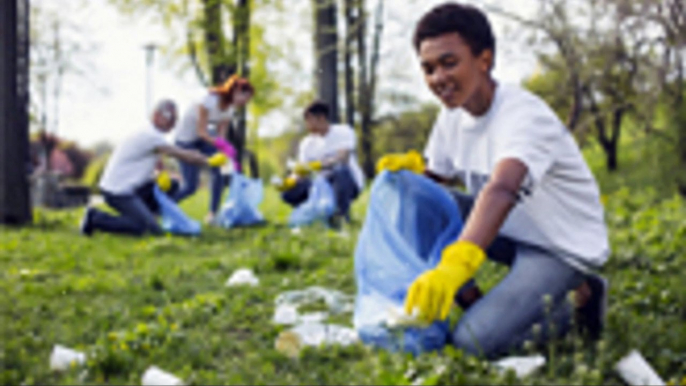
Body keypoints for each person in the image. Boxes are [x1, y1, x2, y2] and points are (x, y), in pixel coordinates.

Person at [376, 2, 610, 358]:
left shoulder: (522, 114)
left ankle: (580, 303)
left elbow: (502, 189)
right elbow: (431, 187)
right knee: (414, 197)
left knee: (473, 343)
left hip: (558, 245)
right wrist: (410, 174)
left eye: (449, 62)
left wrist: (456, 264)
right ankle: (474, 302)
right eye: (428, 68)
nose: (438, 78)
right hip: (512, 231)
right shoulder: (451, 117)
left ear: (484, 59)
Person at [79, 100, 228, 237]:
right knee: (145, 228)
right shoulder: (149, 135)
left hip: (134, 189)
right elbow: (182, 154)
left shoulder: (153, 134)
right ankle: (94, 218)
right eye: (171, 119)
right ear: (157, 115)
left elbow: (156, 162)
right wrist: (208, 161)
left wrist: (160, 172)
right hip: (117, 192)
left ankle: (148, 215)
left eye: (176, 120)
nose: (174, 124)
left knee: (173, 185)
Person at [172, 75, 255, 224]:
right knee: (190, 187)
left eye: (247, 99)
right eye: (244, 96)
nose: (245, 102)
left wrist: (225, 152)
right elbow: (201, 131)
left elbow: (220, 136)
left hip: (202, 139)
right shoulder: (210, 99)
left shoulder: (230, 110)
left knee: (219, 171)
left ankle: (212, 214)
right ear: (235, 90)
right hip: (185, 141)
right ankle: (160, 208)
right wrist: (220, 145)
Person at [277, 101, 365, 226]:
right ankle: (316, 213)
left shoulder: (343, 132)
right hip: (319, 185)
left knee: (341, 170)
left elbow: (343, 158)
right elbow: (301, 170)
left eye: (309, 120)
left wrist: (319, 165)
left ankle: (340, 216)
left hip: (346, 182)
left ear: (322, 118)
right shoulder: (307, 143)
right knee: (288, 193)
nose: (307, 125)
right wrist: (290, 181)